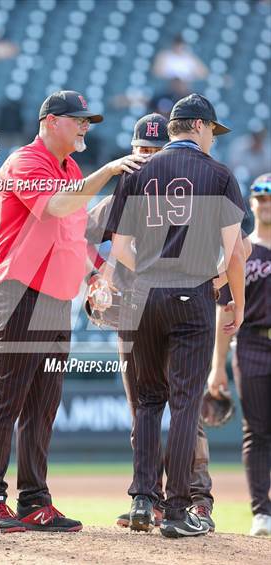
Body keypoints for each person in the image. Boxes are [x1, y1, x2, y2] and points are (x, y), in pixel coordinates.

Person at [0, 90, 145, 532]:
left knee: (44, 401)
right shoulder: (24, 162)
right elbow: (56, 206)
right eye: (79, 120)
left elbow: (73, 236)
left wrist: (94, 278)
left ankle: (34, 499)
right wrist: (107, 172)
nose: (86, 126)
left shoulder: (70, 167)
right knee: (8, 396)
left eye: (89, 120)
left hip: (54, 298)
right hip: (19, 293)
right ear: (51, 121)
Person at [107, 93, 247, 538]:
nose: (212, 139)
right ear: (201, 127)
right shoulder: (219, 174)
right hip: (192, 295)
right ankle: (177, 509)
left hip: (141, 296)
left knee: (147, 401)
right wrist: (236, 303)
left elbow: (121, 250)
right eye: (212, 132)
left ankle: (143, 498)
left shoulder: (136, 173)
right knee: (185, 403)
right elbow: (234, 253)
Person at [85, 112, 217, 531]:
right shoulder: (122, 192)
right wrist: (95, 277)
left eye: (154, 150)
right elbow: (78, 235)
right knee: (142, 406)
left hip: (176, 307)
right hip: (132, 312)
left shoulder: (188, 190)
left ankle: (196, 500)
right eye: (141, 149)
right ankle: (150, 497)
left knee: (185, 410)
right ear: (131, 148)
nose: (146, 157)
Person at [208, 173, 271, 537]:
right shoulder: (242, 249)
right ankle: (262, 512)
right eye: (259, 198)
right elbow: (226, 309)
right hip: (252, 344)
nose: (265, 204)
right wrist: (218, 367)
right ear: (251, 203)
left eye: (270, 198)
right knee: (257, 431)